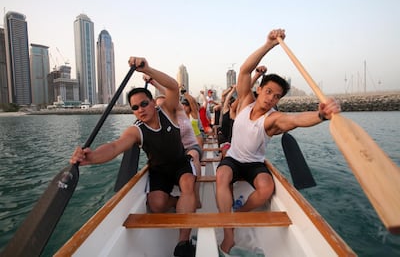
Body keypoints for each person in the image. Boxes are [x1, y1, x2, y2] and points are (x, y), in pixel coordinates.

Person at [215, 29, 341, 255]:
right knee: (221, 175)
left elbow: (294, 120)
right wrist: (269, 44)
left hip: (254, 163)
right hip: (233, 158)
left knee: (267, 188)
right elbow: (245, 70)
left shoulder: (272, 118)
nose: (271, 98)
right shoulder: (245, 101)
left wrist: (321, 115)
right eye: (269, 91)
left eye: (277, 96)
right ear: (260, 89)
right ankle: (229, 231)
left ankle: (240, 214)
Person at [70, 57, 197, 257]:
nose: (140, 110)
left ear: (154, 103)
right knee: (156, 205)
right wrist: (91, 157)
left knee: (188, 182)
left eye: (144, 104)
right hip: (159, 170)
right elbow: (114, 147)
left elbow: (173, 86)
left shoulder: (169, 112)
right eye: (135, 108)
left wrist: (148, 69)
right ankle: (179, 202)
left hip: (181, 162)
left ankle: (183, 242)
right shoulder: (136, 131)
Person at [149, 77, 203, 209]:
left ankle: (196, 196)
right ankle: (176, 199)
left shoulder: (179, 112)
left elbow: (172, 94)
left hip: (191, 146)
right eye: (159, 107)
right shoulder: (159, 122)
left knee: (193, 157)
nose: (162, 109)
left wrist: (154, 82)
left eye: (164, 105)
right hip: (176, 153)